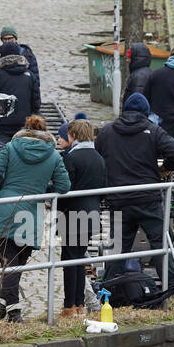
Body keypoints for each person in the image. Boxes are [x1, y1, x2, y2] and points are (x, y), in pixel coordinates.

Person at [95, 92, 174, 289]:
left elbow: (98, 158)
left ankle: (109, 290)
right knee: (162, 243)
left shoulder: (106, 132)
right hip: (147, 198)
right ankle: (173, 288)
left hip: (118, 199)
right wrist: (165, 169)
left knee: (118, 248)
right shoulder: (153, 131)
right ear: (146, 113)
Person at [0, 114, 69, 323]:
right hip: (31, 213)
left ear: (26, 128)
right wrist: (43, 188)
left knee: (10, 264)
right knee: (15, 264)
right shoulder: (54, 155)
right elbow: (64, 186)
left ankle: (10, 310)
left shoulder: (12, 147)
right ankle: (7, 309)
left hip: (6, 209)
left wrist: (4, 187)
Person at [59, 119, 107, 319]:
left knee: (69, 260)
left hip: (72, 214)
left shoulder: (71, 157)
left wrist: (58, 209)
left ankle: (70, 305)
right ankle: (79, 304)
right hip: (91, 213)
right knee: (80, 259)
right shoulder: (98, 157)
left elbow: (65, 188)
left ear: (74, 136)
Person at [0, 40, 40, 146]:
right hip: (24, 125)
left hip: (1, 126)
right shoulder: (30, 75)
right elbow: (36, 103)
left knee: (3, 154)